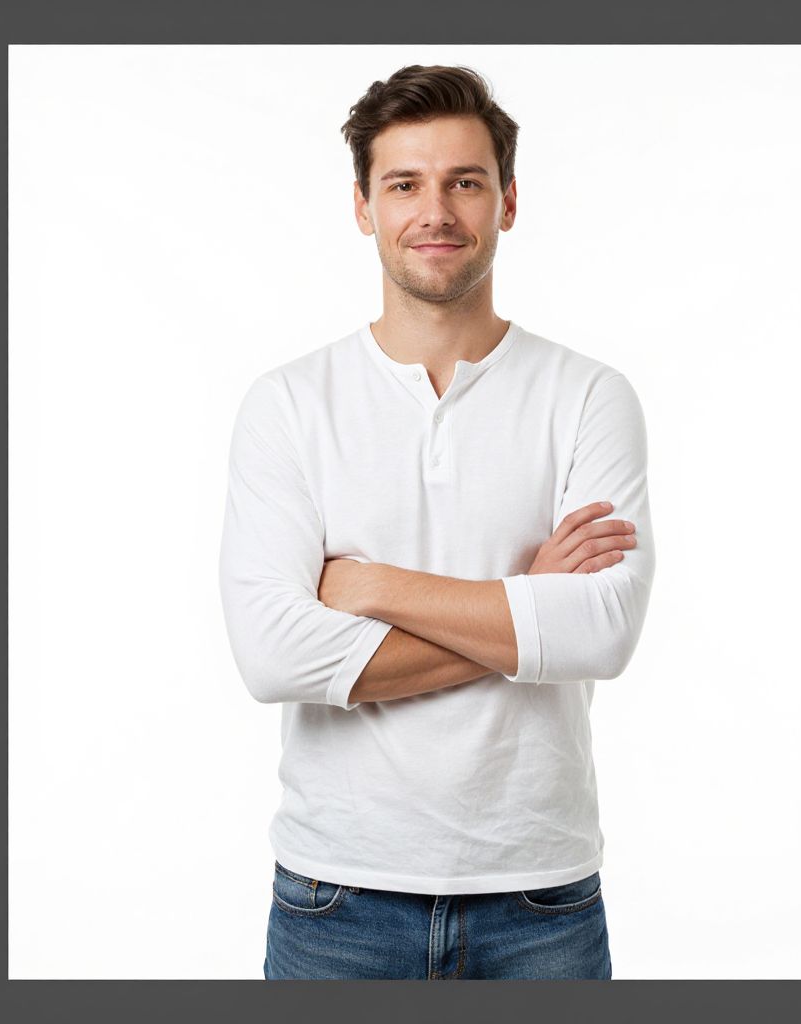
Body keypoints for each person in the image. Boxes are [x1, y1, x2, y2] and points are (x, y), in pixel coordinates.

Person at [217, 63, 655, 980]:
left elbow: (602, 631)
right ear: (362, 206)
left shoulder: (588, 397)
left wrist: (371, 587)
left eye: (466, 181)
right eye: (404, 183)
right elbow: (273, 656)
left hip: (542, 897)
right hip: (335, 895)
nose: (437, 210)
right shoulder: (290, 404)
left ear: (508, 201)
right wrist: (529, 605)